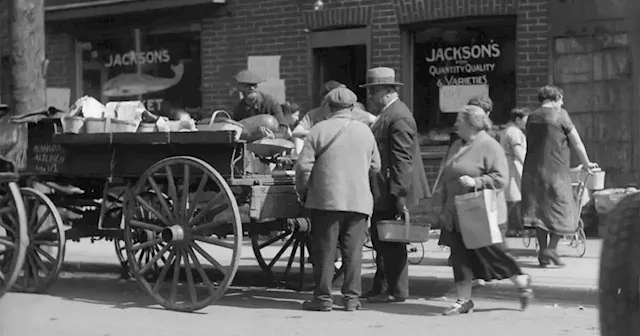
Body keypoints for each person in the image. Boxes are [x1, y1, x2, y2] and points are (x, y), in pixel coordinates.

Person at [439, 105, 533, 316]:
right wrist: (444, 208)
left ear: (472, 124)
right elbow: (448, 178)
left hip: (481, 211)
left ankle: (521, 281)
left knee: (493, 254)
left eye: (459, 121)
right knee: (460, 256)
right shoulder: (456, 145)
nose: (455, 124)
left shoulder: (490, 146)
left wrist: (476, 181)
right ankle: (463, 300)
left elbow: (501, 178)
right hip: (456, 212)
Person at [295, 87, 381, 312]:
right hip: (359, 201)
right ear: (353, 108)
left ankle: (323, 299)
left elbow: (303, 168)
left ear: (328, 107)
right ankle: (351, 299)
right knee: (353, 253)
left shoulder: (318, 130)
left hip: (326, 200)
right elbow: (376, 166)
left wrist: (304, 192)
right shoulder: (365, 132)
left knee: (325, 251)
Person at [362, 67, 431, 303]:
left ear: (389, 91)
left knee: (392, 242)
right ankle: (381, 286)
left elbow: (403, 160)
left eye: (374, 91)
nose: (370, 96)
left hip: (392, 190)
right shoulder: (388, 114)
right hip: (386, 189)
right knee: (382, 240)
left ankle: (396, 291)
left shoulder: (398, 116)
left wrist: (400, 195)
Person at [521, 85, 598, 267]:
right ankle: (552, 249)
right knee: (563, 208)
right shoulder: (560, 114)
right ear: (555, 98)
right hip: (555, 171)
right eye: (561, 99)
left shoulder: (532, 117)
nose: (562, 103)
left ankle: (543, 252)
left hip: (532, 171)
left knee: (540, 212)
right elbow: (577, 142)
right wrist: (587, 163)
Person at [292, 80, 377, 154]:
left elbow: (377, 121)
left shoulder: (354, 111)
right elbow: (296, 132)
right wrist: (318, 134)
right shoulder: (314, 114)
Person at [500, 107, 529, 238]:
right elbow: (518, 152)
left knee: (513, 198)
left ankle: (513, 227)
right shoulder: (514, 132)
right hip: (513, 167)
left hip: (511, 166)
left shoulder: (509, 131)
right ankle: (511, 227)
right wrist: (527, 166)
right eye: (525, 120)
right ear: (517, 119)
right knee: (513, 198)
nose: (526, 123)